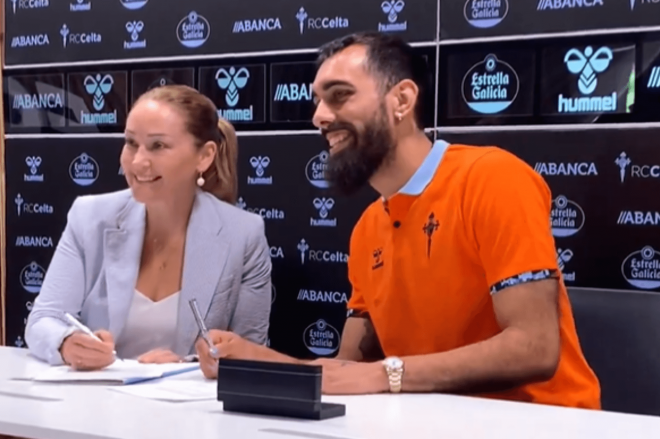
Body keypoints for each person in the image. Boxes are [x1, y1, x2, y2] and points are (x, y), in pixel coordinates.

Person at [193, 32, 601, 409]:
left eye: (339, 96)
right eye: (317, 100)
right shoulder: (368, 226)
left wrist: (389, 374)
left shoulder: (492, 178)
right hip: (432, 422)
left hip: (545, 422)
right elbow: (349, 372)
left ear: (401, 101)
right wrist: (255, 359)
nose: (319, 115)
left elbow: (533, 347)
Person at [25, 85, 272, 370]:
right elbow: (43, 319)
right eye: (131, 143)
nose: (138, 161)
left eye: (158, 146)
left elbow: (250, 352)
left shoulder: (244, 234)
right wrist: (66, 343)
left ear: (204, 156)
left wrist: (185, 365)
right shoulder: (88, 216)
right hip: (96, 405)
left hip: (191, 411)